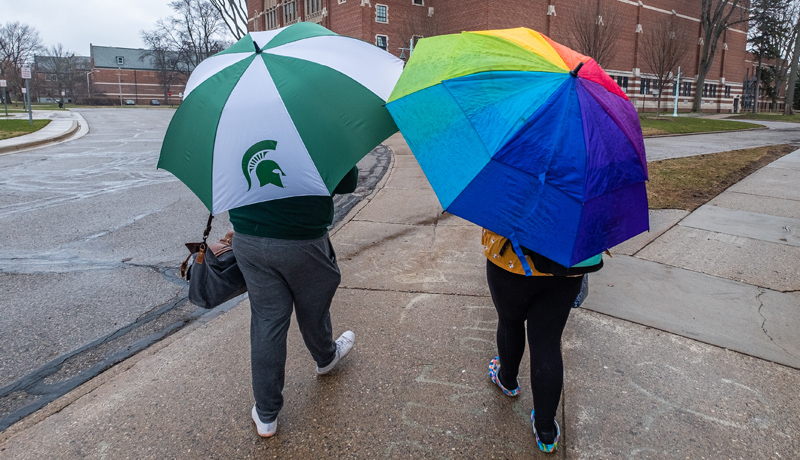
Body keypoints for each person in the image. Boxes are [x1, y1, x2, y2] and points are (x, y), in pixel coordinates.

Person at [229, 165, 359, 438]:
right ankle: (325, 357)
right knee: (314, 305)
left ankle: (266, 415)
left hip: (248, 237)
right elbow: (346, 182)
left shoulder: (235, 129)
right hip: (302, 238)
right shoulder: (316, 126)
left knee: (267, 321)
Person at [482, 228, 602, 454]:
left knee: (510, 322)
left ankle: (507, 380)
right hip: (568, 264)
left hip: (511, 260)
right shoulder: (587, 189)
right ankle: (545, 430)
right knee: (547, 342)